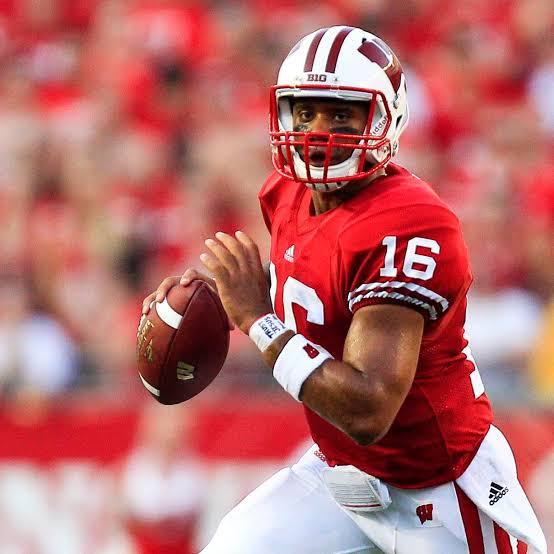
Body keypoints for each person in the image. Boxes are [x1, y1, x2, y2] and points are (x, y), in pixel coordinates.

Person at [142, 26, 546, 554]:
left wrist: (258, 320)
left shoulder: (410, 223)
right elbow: (314, 286)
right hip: (341, 477)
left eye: (340, 115)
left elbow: (368, 410)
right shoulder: (286, 193)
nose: (318, 131)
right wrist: (223, 296)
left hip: (439, 490)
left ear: (384, 119)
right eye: (306, 112)